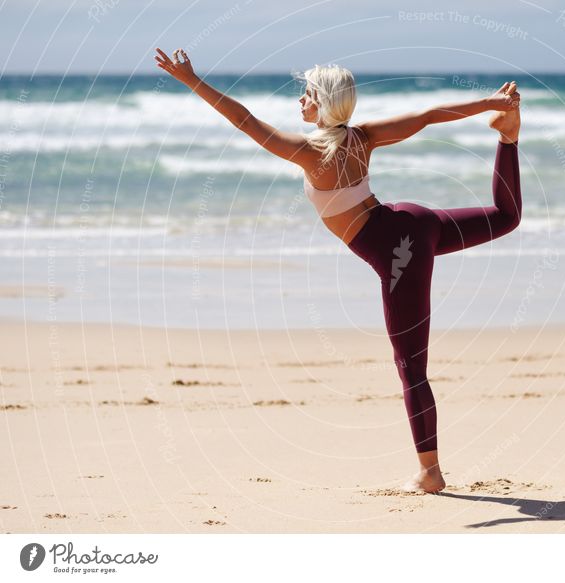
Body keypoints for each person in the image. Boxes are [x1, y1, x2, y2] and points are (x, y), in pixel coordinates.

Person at [154, 48, 522, 493]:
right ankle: (508, 138)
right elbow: (426, 116)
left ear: (323, 101)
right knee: (506, 217)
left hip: (399, 252)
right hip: (412, 222)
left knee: (411, 368)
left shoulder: (308, 152)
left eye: (306, 94)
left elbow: (244, 120)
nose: (300, 101)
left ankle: (430, 473)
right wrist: (488, 104)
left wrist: (192, 80)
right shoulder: (363, 136)